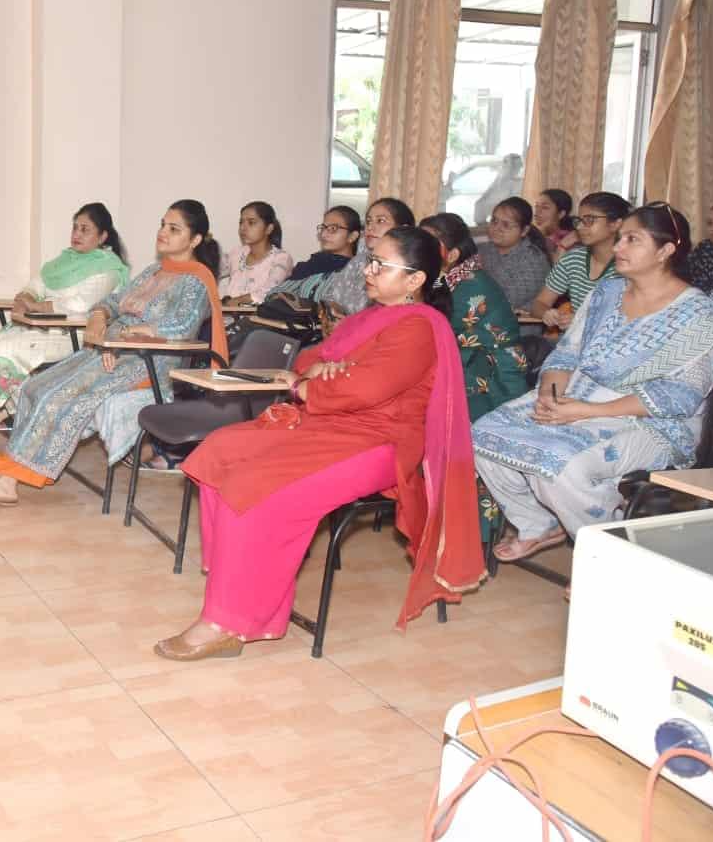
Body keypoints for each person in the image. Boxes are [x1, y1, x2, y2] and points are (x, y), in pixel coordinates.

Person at [153, 227, 484, 660]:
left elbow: (366, 388)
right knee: (218, 452)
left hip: (377, 442)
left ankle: (229, 621)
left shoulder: (420, 327)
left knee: (253, 483)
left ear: (415, 280)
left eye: (381, 265)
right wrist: (320, 373)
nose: (367, 270)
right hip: (328, 423)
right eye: (370, 260)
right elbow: (311, 359)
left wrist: (316, 384)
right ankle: (237, 579)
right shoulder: (370, 316)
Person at [476, 204, 713, 564]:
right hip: (578, 397)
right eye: (619, 239)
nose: (618, 248)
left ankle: (606, 555)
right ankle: (537, 523)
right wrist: (551, 397)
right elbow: (566, 354)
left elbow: (679, 396)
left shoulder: (700, 317)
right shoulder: (606, 294)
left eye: (632, 240)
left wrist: (587, 411)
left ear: (666, 250)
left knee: (561, 465)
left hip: (652, 420)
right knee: (485, 434)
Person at [0, 200, 226, 506]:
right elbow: (115, 301)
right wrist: (101, 316)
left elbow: (179, 329)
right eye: (162, 224)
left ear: (194, 240)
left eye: (173, 228)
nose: (162, 232)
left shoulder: (196, 281)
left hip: (149, 363)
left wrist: (123, 338)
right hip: (113, 349)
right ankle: (8, 483)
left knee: (58, 397)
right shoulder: (156, 270)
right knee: (36, 387)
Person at [0, 203, 128, 412]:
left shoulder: (109, 267)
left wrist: (37, 306)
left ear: (103, 236)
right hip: (43, 328)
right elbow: (36, 285)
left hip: (77, 335)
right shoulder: (64, 261)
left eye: (85, 229)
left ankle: (30, 418)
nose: (76, 234)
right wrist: (24, 298)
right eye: (75, 227)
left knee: (4, 350)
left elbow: (80, 304)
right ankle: (26, 416)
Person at [420, 213, 529, 421]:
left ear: (451, 255)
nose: (417, 252)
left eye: (427, 246)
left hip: (493, 379)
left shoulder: (472, 286)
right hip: (467, 361)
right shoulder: (445, 277)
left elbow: (432, 333)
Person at [267, 197, 415, 315]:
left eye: (380, 221)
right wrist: (331, 311)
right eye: (368, 221)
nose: (370, 226)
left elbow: (371, 309)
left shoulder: (407, 266)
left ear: (402, 229)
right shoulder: (358, 262)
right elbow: (331, 297)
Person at [527, 191, 629, 330]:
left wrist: (582, 321)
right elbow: (539, 303)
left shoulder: (628, 265)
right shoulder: (573, 259)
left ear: (615, 224)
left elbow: (632, 317)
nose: (580, 227)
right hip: (572, 344)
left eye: (590, 220)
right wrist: (547, 313)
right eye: (579, 221)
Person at [476, 196, 551, 311]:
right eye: (494, 221)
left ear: (524, 231)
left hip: (516, 325)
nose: (497, 228)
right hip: (476, 317)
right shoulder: (483, 250)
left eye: (506, 225)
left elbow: (502, 300)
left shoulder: (534, 262)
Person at [219, 201, 294, 303]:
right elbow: (211, 269)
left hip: (259, 318)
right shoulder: (237, 253)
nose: (243, 228)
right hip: (228, 317)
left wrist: (235, 301)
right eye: (241, 222)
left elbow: (270, 292)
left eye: (251, 222)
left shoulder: (281, 258)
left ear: (268, 229)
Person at [279, 205, 361, 297]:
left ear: (352, 236)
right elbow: (278, 294)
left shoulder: (355, 273)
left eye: (333, 228)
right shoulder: (309, 265)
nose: (324, 234)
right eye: (323, 228)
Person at [533, 189, 579, 260]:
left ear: (561, 214)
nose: (536, 212)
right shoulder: (530, 235)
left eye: (545, 207)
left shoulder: (572, 242)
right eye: (536, 206)